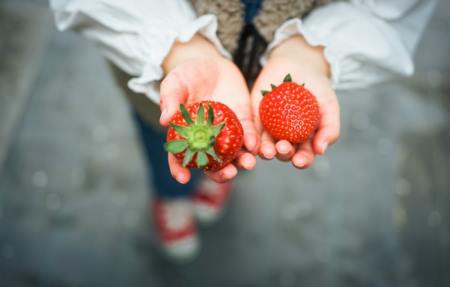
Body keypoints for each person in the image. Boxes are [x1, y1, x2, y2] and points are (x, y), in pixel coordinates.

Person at [49, 0, 436, 262]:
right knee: (162, 138)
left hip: (270, 83)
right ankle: (173, 198)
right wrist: (179, 51)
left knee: (247, 143)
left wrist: (310, 52)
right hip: (170, 80)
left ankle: (214, 180)